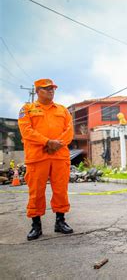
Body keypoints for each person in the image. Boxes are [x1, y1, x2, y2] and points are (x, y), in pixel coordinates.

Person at [18, 79, 74, 241]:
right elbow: (26, 131)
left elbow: (69, 131)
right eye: (47, 88)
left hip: (59, 156)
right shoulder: (27, 109)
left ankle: (60, 221)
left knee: (60, 190)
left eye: (53, 88)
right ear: (38, 91)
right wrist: (47, 142)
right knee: (36, 192)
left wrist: (56, 144)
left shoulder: (63, 110)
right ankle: (36, 225)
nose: (51, 91)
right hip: (37, 157)